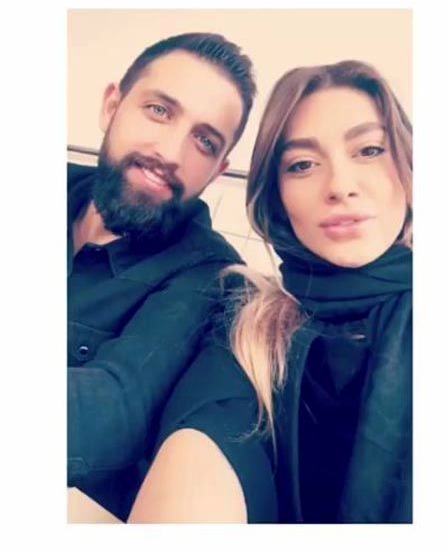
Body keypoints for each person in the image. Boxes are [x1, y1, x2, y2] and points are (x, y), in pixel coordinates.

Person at [128, 60, 413, 523]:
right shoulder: (252, 331)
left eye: (369, 150)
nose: (340, 187)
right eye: (302, 165)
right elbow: (206, 440)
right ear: (277, 197)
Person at [67, 32, 256, 521]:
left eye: (204, 141)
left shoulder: (212, 276)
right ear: (112, 106)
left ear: (217, 170)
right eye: (159, 110)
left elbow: (116, 407)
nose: (171, 152)